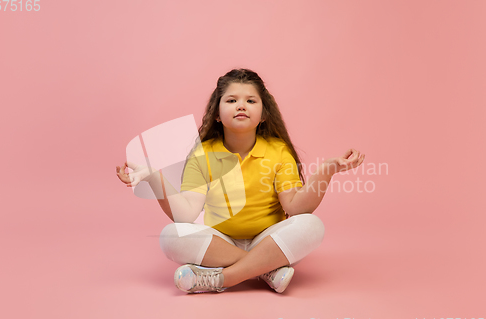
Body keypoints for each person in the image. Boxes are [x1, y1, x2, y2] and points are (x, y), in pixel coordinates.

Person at [116, 68, 365, 294]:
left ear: (264, 114)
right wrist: (153, 176)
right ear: (216, 114)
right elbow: (185, 215)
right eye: (232, 100)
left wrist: (327, 170)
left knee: (312, 225)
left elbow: (296, 207)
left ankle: (223, 278)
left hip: (269, 239)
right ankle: (266, 269)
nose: (241, 106)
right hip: (221, 241)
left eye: (250, 100)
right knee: (170, 236)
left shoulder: (278, 151)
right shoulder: (203, 154)